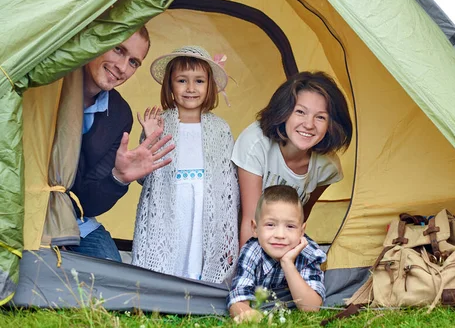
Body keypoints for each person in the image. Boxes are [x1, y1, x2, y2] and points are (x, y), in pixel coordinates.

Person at [131, 45, 239, 283]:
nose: (191, 88)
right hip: (170, 202)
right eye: (182, 80)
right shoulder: (160, 123)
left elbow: (227, 185)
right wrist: (149, 138)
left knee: (199, 248)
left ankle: (200, 286)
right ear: (170, 85)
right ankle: (165, 286)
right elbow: (143, 177)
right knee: (172, 246)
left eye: (199, 81)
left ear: (209, 86)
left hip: (205, 203)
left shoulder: (220, 129)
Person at [67, 26, 175, 262]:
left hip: (72, 218)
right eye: (118, 49)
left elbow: (88, 204)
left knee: (113, 278)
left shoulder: (119, 114)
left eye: (134, 62)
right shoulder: (52, 83)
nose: (122, 68)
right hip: (22, 205)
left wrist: (117, 178)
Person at [232, 71, 353, 247]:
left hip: (280, 245)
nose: (309, 124)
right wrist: (248, 272)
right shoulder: (256, 143)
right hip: (235, 239)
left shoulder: (327, 166)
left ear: (331, 125)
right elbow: (251, 221)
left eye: (320, 117)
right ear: (284, 112)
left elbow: (301, 215)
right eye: (300, 112)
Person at [227, 185, 326, 322]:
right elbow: (238, 299)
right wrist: (249, 315)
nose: (280, 235)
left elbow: (311, 308)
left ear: (302, 231)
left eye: (290, 226)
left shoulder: (309, 252)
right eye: (270, 225)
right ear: (255, 229)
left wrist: (287, 263)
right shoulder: (252, 251)